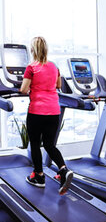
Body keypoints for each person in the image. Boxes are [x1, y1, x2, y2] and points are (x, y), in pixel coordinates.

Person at [20, 36, 74, 194]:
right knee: (49, 144)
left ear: (32, 50)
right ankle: (63, 170)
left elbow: (23, 89)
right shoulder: (54, 66)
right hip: (54, 111)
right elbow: (58, 85)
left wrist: (29, 86)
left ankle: (39, 176)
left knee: (35, 143)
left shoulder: (31, 67)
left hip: (37, 111)